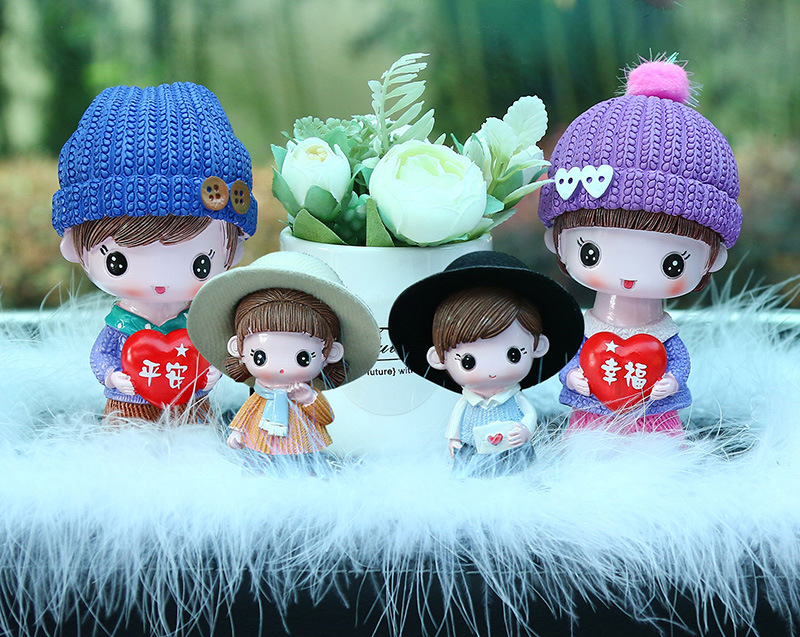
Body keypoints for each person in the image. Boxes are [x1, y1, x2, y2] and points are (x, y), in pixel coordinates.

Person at [537, 57, 742, 434]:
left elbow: (677, 360)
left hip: (655, 414)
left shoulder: (662, 334)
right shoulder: (588, 328)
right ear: (556, 241)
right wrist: (572, 377)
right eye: (591, 253)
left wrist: (673, 381)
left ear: (713, 259)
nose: (629, 276)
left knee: (660, 444)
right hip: (592, 412)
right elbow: (571, 358)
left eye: (672, 263)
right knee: (586, 441)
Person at [52, 82, 257, 421]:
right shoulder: (122, 323)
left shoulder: (197, 323)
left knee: (196, 438)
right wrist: (111, 376)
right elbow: (102, 354)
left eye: (200, 263)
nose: (160, 281)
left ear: (233, 252)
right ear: (74, 246)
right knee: (126, 436)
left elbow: (216, 353)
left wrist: (212, 371)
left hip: (192, 402)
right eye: (117, 262)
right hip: (127, 401)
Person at [388, 251, 583, 476]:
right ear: (439, 359)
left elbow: (530, 415)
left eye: (513, 355)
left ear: (537, 347)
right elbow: (456, 422)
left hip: (513, 450)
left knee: (519, 473)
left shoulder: (515, 398)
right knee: (471, 474)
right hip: (473, 450)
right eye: (468, 361)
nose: (493, 370)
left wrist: (525, 431)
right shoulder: (466, 402)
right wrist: (453, 439)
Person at [187, 251, 380, 473]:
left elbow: (326, 417)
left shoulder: (302, 393)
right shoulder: (260, 395)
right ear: (238, 349)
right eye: (260, 356)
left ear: (331, 353)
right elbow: (247, 412)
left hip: (299, 442)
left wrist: (309, 399)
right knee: (257, 466)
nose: (280, 368)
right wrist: (238, 432)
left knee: (305, 468)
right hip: (261, 443)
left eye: (302, 358)